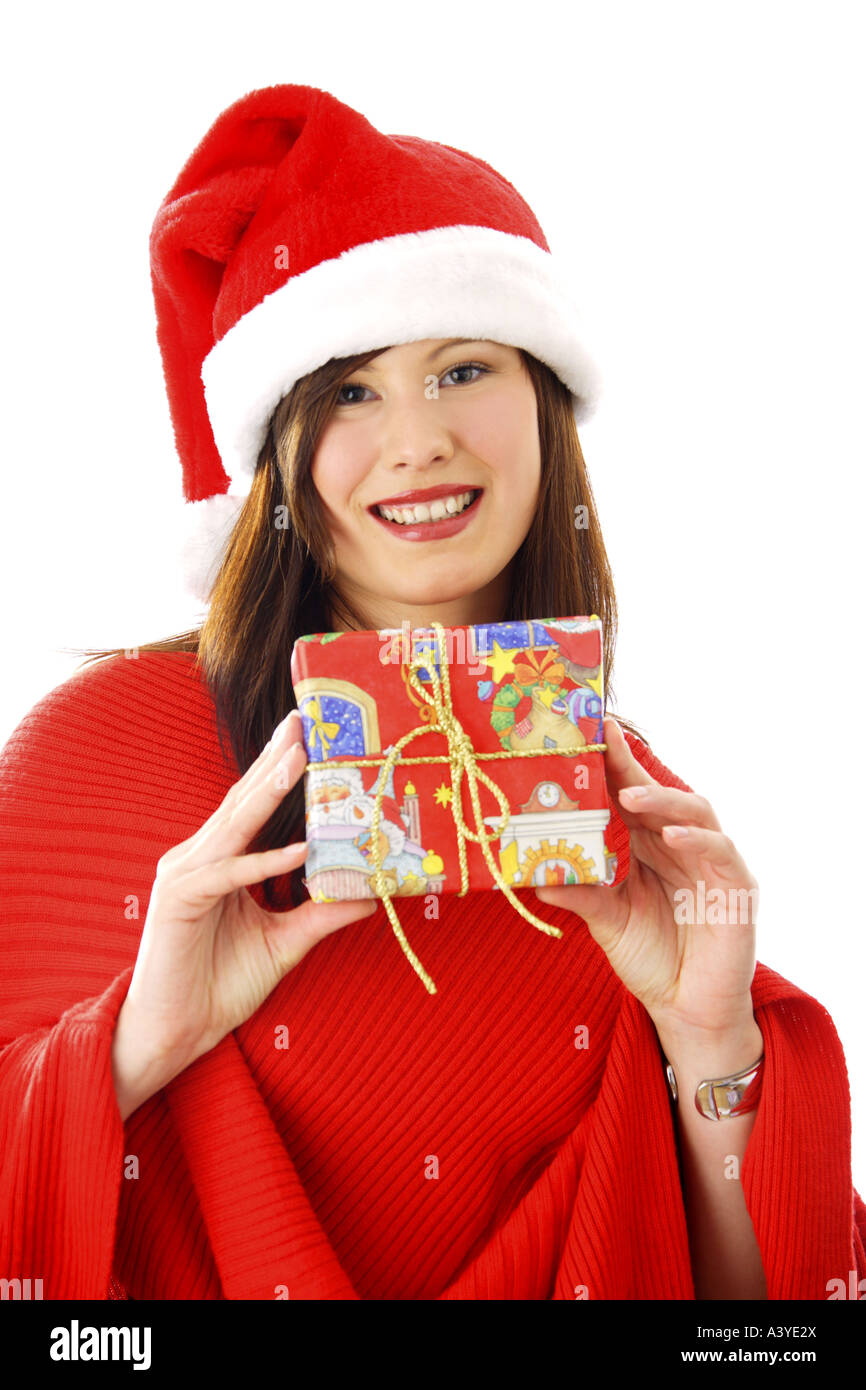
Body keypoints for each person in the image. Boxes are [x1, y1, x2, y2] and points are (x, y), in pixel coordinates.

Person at [1, 82, 863, 1303]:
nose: (417, 440)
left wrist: (707, 1040)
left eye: (463, 368)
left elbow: (763, 1321)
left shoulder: (617, 806)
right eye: (349, 391)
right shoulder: (98, 752)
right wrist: (138, 1046)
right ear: (280, 457)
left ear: (545, 408)